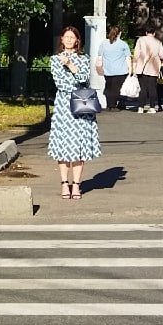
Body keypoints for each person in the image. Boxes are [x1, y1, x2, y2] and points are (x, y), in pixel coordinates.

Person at [47, 24, 102, 198]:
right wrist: (74, 77)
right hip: (64, 107)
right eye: (66, 37)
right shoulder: (55, 59)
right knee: (62, 147)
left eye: (73, 37)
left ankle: (77, 184)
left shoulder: (84, 58)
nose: (69, 40)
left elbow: (84, 78)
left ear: (77, 40)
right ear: (62, 40)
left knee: (79, 146)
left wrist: (70, 65)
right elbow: (60, 84)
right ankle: (64, 184)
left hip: (81, 107)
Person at [96, 23, 133, 111]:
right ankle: (113, 105)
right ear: (120, 33)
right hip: (120, 71)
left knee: (108, 87)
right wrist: (130, 70)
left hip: (107, 70)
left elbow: (99, 57)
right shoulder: (123, 44)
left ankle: (109, 105)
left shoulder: (104, 43)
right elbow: (128, 58)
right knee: (116, 89)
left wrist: (99, 68)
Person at [131, 22, 163, 114]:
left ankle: (140, 107)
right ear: (154, 33)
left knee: (143, 87)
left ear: (146, 32)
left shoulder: (140, 40)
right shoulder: (158, 42)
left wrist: (133, 66)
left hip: (141, 67)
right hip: (153, 68)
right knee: (152, 88)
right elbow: (162, 55)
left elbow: (136, 54)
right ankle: (152, 107)